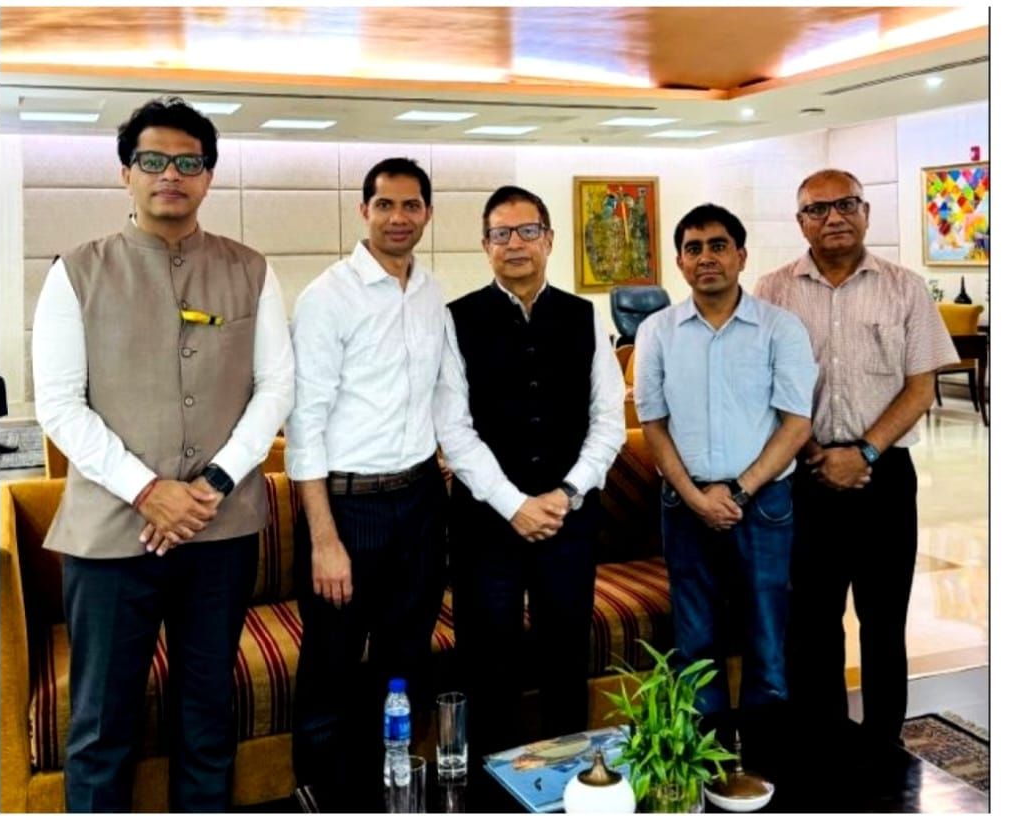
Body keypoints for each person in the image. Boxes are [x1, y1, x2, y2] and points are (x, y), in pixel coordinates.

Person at [31, 97, 295, 812]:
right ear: (126, 173)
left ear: (209, 175)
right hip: (111, 538)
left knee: (208, 715)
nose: (169, 174)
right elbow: (60, 405)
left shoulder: (251, 270)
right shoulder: (77, 272)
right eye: (152, 160)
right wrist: (150, 491)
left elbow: (276, 387)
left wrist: (213, 482)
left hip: (222, 527)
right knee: (102, 724)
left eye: (187, 162)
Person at [754, 169, 958, 746]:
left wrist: (864, 451)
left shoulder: (905, 287)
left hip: (884, 477)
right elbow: (762, 385)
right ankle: (823, 740)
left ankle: (883, 745)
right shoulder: (773, 291)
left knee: (884, 618)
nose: (834, 218)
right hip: (804, 475)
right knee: (811, 620)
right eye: (817, 209)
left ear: (866, 212)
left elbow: (920, 387)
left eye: (846, 204)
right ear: (800, 223)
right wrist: (817, 454)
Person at [434, 185, 625, 755]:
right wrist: (513, 504)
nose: (514, 244)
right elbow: (453, 430)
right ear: (485, 245)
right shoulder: (456, 319)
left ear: (549, 239)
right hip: (486, 526)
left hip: (569, 519)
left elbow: (609, 421)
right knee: (486, 662)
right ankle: (490, 789)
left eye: (527, 231)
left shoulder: (583, 316)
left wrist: (567, 492)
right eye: (501, 234)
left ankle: (569, 780)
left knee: (566, 657)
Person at [286, 157, 447, 807]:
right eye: (385, 205)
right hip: (349, 510)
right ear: (364, 211)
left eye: (411, 205)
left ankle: (389, 795)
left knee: (405, 661)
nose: (398, 218)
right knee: (331, 663)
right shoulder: (328, 297)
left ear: (427, 214)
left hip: (421, 501)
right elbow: (304, 424)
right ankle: (321, 802)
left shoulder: (430, 291)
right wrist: (324, 539)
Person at [633, 204, 817, 776]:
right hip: (683, 505)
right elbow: (653, 424)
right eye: (693, 248)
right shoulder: (657, 331)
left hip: (764, 506)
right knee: (694, 642)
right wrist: (695, 496)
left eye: (718, 245)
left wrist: (738, 491)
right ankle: (705, 767)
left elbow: (797, 423)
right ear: (680, 262)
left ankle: (766, 764)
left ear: (741, 255)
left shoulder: (780, 328)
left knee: (767, 636)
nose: (706, 257)